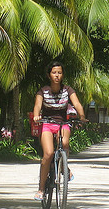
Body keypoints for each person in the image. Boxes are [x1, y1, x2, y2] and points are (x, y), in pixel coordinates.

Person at [32, 61, 87, 201]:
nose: (57, 75)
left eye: (59, 73)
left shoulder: (68, 90)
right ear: (49, 75)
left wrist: (82, 116)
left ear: (62, 75)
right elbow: (37, 106)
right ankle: (41, 189)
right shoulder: (42, 91)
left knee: (65, 142)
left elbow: (77, 104)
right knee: (48, 154)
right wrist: (37, 115)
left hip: (63, 123)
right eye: (54, 72)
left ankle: (64, 166)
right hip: (47, 124)